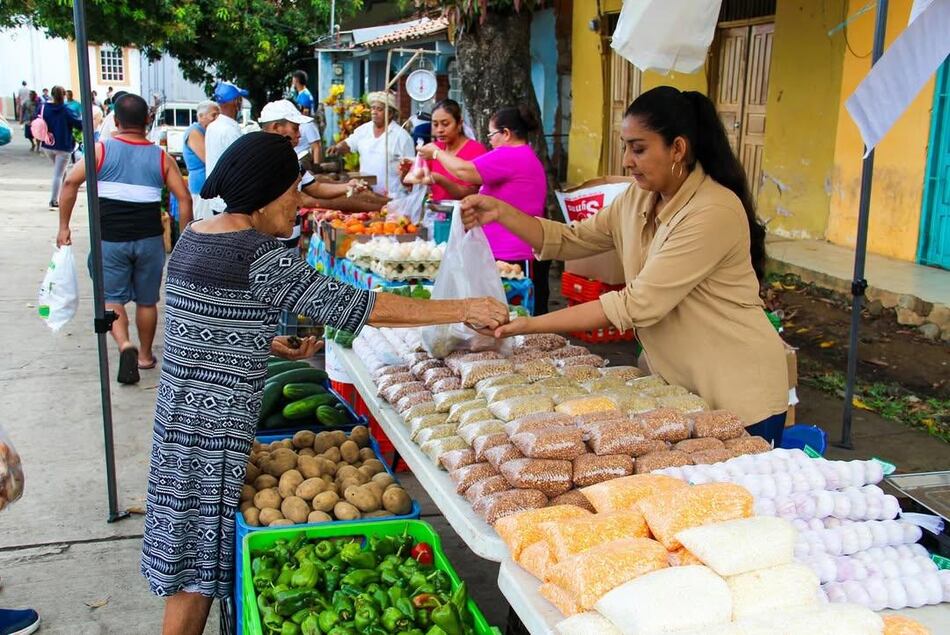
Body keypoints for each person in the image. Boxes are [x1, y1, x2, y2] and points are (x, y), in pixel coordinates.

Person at [138, 132, 508, 635]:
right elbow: (361, 306)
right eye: (294, 191)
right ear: (266, 191)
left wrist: (264, 343)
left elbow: (199, 325)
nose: (298, 205)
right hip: (213, 437)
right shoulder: (258, 255)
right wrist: (462, 308)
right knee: (196, 577)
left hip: (178, 426)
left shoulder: (196, 236)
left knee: (189, 559)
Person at [462, 86, 789, 442]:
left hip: (739, 392)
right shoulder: (638, 197)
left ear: (677, 148)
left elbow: (635, 304)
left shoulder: (713, 210)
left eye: (639, 148)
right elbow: (573, 240)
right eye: (625, 147)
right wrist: (502, 212)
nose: (626, 160)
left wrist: (527, 324)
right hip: (680, 391)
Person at [55, 94, 193, 384]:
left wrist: (64, 227)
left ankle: (124, 344)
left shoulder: (100, 151)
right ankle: (144, 356)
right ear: (147, 121)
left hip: (110, 241)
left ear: (116, 121)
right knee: (147, 301)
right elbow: (183, 197)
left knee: (112, 299)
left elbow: (69, 182)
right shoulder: (161, 157)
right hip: (149, 242)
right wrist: (187, 235)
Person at [419, 105, 550, 314]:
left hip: (514, 255)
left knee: (514, 319)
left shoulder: (511, 155)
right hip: (506, 252)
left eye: (492, 134)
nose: (489, 140)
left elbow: (464, 171)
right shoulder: (523, 156)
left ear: (505, 133)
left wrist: (436, 153)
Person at [259, 99, 365, 248]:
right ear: (276, 127)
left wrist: (347, 186)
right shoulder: (259, 161)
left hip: (289, 245)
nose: (300, 135)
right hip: (269, 246)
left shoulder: (291, 160)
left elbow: (316, 188)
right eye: (295, 128)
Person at [327, 91, 414, 197]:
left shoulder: (402, 137)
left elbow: (411, 169)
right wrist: (337, 148)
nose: (374, 112)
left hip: (393, 197)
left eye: (379, 109)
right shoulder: (363, 130)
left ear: (390, 113)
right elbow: (349, 143)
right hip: (366, 193)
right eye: (373, 108)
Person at [418, 99, 486, 201]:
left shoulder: (476, 150)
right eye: (435, 124)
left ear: (459, 124)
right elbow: (413, 184)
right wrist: (407, 172)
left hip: (464, 214)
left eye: (445, 124)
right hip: (436, 212)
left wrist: (440, 179)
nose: (439, 130)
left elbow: (472, 192)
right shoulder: (433, 148)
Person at [201, 81, 248, 218]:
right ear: (236, 102)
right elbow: (241, 165)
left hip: (217, 199)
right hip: (230, 200)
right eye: (240, 99)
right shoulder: (230, 130)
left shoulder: (213, 126)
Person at [40, 86, 82, 209]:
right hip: (63, 146)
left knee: (61, 171)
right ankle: (54, 200)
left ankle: (64, 193)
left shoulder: (43, 107)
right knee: (58, 174)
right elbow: (79, 124)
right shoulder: (66, 110)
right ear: (64, 95)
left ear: (51, 94)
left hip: (47, 144)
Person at [182, 100, 220, 223]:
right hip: (201, 186)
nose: (217, 118)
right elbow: (208, 158)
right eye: (214, 115)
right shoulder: (194, 132)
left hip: (207, 185)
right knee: (205, 223)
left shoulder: (207, 131)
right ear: (200, 116)